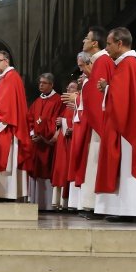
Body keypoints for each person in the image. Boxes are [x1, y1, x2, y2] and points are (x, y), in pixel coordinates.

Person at [93, 27, 136, 221]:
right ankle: (123, 209)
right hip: (125, 124)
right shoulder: (127, 63)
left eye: (110, 44)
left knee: (127, 164)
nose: (107, 48)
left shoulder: (128, 63)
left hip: (127, 128)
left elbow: (121, 98)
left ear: (120, 43)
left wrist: (106, 88)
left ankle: (128, 210)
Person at [0, 50, 31, 202]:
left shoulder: (10, 78)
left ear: (7, 61)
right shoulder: (6, 78)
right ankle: (2, 193)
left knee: (6, 159)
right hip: (1, 125)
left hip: (6, 128)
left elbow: (6, 108)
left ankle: (7, 194)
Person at [77, 27, 116, 218]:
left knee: (97, 164)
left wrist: (99, 124)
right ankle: (94, 206)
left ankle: (99, 206)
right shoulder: (98, 61)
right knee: (93, 163)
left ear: (94, 43)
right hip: (95, 123)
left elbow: (100, 96)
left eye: (87, 37)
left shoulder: (103, 61)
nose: (83, 40)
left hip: (100, 124)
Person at [27, 73, 62, 209]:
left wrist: (44, 135)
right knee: (36, 170)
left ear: (51, 85)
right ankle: (37, 203)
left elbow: (56, 120)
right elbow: (30, 119)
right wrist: (32, 133)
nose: (41, 85)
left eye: (44, 83)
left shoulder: (58, 100)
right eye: (40, 82)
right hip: (36, 143)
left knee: (47, 170)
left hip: (49, 145)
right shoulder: (36, 101)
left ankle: (48, 205)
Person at [65, 54, 92, 211]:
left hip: (85, 129)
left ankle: (83, 203)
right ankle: (78, 203)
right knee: (78, 163)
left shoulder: (91, 82)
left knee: (83, 164)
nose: (81, 74)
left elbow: (91, 105)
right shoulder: (86, 84)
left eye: (82, 68)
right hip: (79, 128)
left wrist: (76, 99)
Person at [50, 79, 78, 210]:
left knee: (67, 169)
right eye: (68, 87)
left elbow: (77, 122)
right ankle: (59, 202)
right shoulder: (66, 106)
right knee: (60, 170)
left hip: (70, 142)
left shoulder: (76, 106)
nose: (68, 90)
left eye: (72, 88)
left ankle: (68, 202)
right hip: (62, 142)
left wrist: (65, 122)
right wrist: (59, 124)